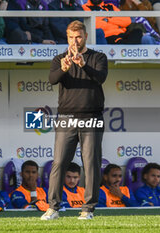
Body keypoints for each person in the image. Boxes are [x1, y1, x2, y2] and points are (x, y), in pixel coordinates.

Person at [41, 20, 107, 220]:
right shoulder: (59, 58)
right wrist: (64, 68)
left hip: (92, 117)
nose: (75, 41)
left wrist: (83, 65)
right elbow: (52, 79)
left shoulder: (98, 57)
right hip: (67, 117)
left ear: (85, 36)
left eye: (78, 37)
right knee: (59, 162)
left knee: (91, 164)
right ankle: (53, 208)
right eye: (71, 37)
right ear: (67, 38)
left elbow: (100, 77)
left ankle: (88, 210)